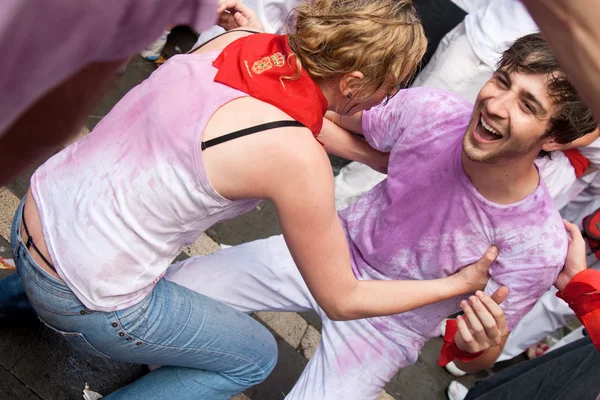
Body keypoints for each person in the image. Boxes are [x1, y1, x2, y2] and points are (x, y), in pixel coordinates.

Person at [10, 1, 498, 398]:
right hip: (78, 292)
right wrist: (455, 284)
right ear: (351, 83)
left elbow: (289, 114)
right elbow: (343, 299)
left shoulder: (239, 42)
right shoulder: (298, 159)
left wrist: (377, 160)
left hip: (33, 214)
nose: (387, 99)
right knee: (254, 358)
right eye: (390, 86)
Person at [162, 33, 597, 399]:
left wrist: (476, 345)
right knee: (167, 299)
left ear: (555, 140)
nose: (497, 104)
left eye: (527, 105)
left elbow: (478, 356)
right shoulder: (435, 112)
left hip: (391, 327)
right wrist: (265, 59)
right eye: (502, 81)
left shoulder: (538, 244)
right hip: (329, 253)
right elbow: (333, 110)